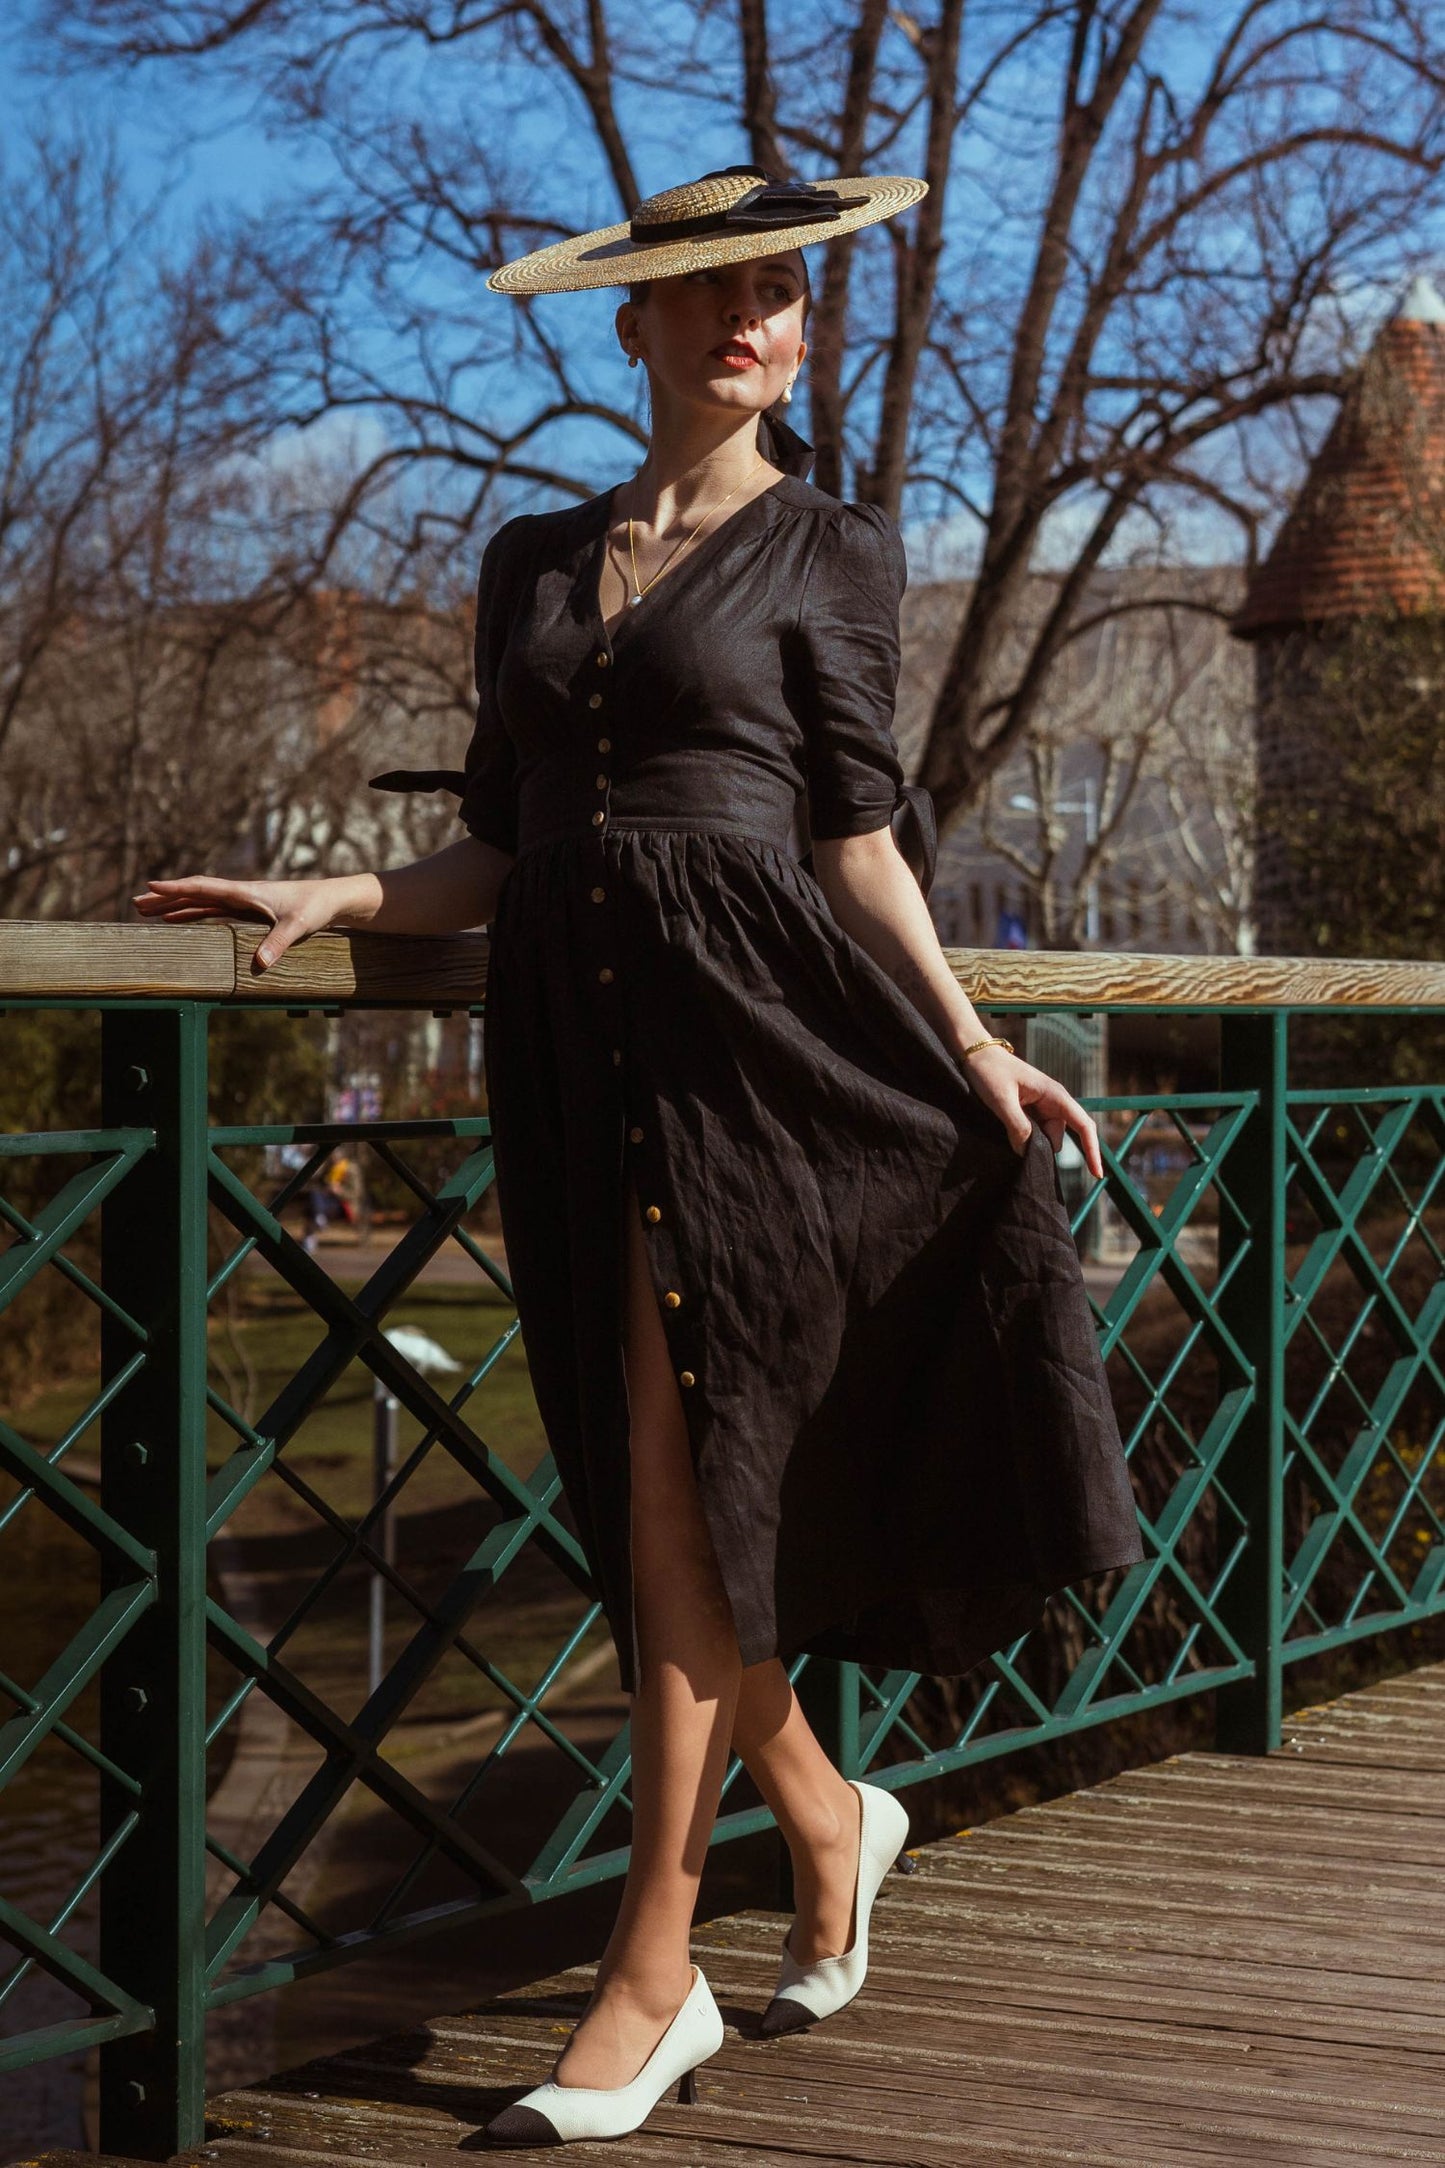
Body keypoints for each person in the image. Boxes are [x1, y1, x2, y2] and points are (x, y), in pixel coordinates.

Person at [131, 163, 1145, 2148]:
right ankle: (831, 1818)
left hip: (771, 1056)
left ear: (800, 334)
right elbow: (501, 835)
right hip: (573, 1065)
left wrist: (968, 1043)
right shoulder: (531, 558)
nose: (750, 318)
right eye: (710, 291)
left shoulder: (832, 550)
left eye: (779, 292)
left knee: (686, 1493)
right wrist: (343, 895)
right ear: (637, 325)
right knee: (647, 1497)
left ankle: (650, 1969)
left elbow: (856, 834)